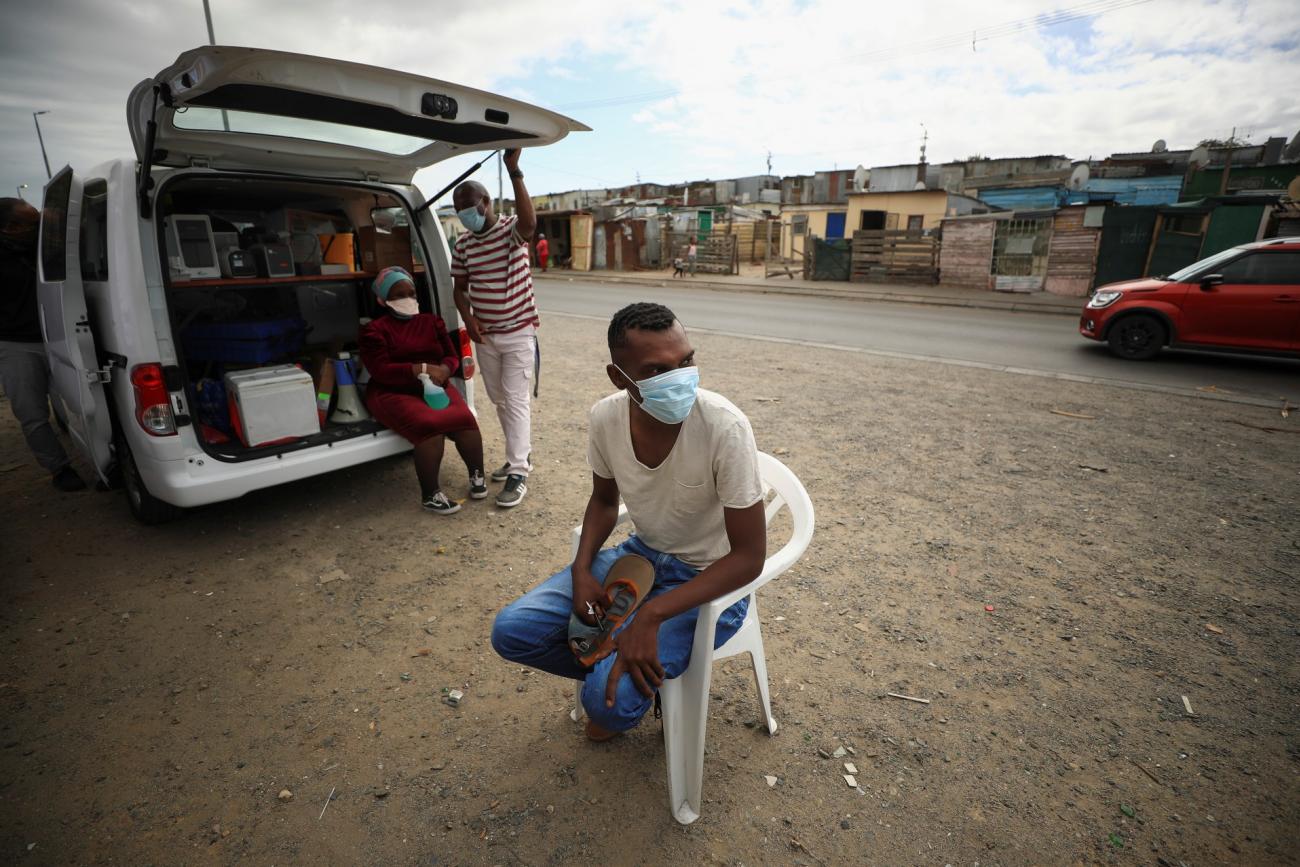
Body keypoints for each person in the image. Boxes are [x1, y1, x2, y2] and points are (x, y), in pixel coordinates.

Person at [491, 302, 766, 740]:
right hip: (641, 559)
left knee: (607, 708)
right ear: (619, 377)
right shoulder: (606, 417)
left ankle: (621, 668)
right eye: (657, 370)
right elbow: (603, 501)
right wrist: (582, 570)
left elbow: (750, 558)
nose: (679, 378)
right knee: (511, 632)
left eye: (686, 361)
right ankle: (621, 663)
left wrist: (651, 615)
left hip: (712, 582)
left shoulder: (723, 427)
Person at [451, 148, 538, 509]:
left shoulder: (509, 232)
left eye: (469, 206)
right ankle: (520, 455)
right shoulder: (463, 245)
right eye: (460, 210)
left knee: (516, 399)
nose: (465, 214)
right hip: (485, 335)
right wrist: (469, 321)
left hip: (518, 332)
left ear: (485, 202)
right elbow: (459, 289)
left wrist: (513, 170)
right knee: (499, 400)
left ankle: (519, 471)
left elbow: (530, 226)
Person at [359, 266, 486, 514]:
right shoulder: (374, 330)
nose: (408, 299)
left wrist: (446, 371)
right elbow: (381, 370)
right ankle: (430, 495)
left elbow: (452, 356)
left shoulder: (431, 322)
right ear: (382, 300)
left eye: (411, 293)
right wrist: (422, 368)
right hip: (393, 390)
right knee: (430, 427)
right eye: (398, 295)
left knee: (464, 419)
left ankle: (477, 476)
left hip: (436, 383)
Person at [0, 198, 84, 492]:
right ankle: (59, 468)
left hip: (58, 337)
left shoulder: (43, 248)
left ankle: (97, 456)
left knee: (79, 401)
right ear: (10, 228)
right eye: (32, 223)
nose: (38, 228)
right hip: (16, 346)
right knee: (32, 413)